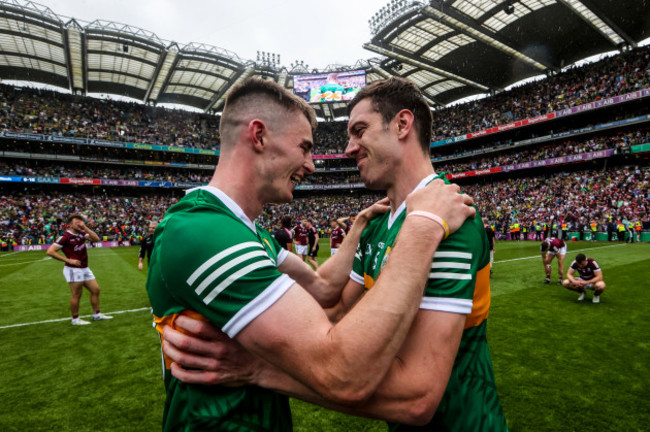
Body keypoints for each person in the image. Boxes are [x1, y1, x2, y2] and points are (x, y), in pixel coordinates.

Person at [162, 77, 507, 431]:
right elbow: (337, 312)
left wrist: (260, 367)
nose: (346, 149)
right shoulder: (392, 227)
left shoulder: (451, 218)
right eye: (306, 147)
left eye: (359, 130)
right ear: (259, 136)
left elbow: (416, 396)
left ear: (403, 124)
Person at [46, 214, 113, 325]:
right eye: (77, 222)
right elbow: (50, 251)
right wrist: (68, 260)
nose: (80, 224)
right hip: (73, 269)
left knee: (95, 290)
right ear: (70, 224)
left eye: (81, 222)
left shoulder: (82, 233)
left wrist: (85, 227)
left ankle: (97, 315)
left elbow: (96, 239)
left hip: (84, 267)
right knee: (77, 294)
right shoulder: (65, 237)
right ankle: (75, 319)